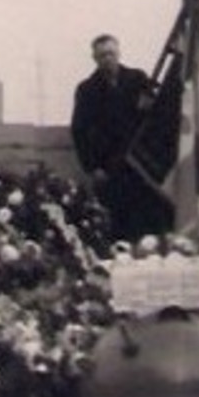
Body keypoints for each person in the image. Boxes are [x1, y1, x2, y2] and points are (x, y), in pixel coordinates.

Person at [70, 35, 166, 243]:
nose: (107, 59)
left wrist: (150, 105)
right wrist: (92, 167)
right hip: (109, 169)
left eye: (111, 53)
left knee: (148, 225)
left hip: (140, 167)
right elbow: (79, 132)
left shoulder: (138, 79)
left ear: (119, 53)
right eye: (102, 55)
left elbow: (158, 115)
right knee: (117, 228)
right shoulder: (87, 90)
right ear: (94, 58)